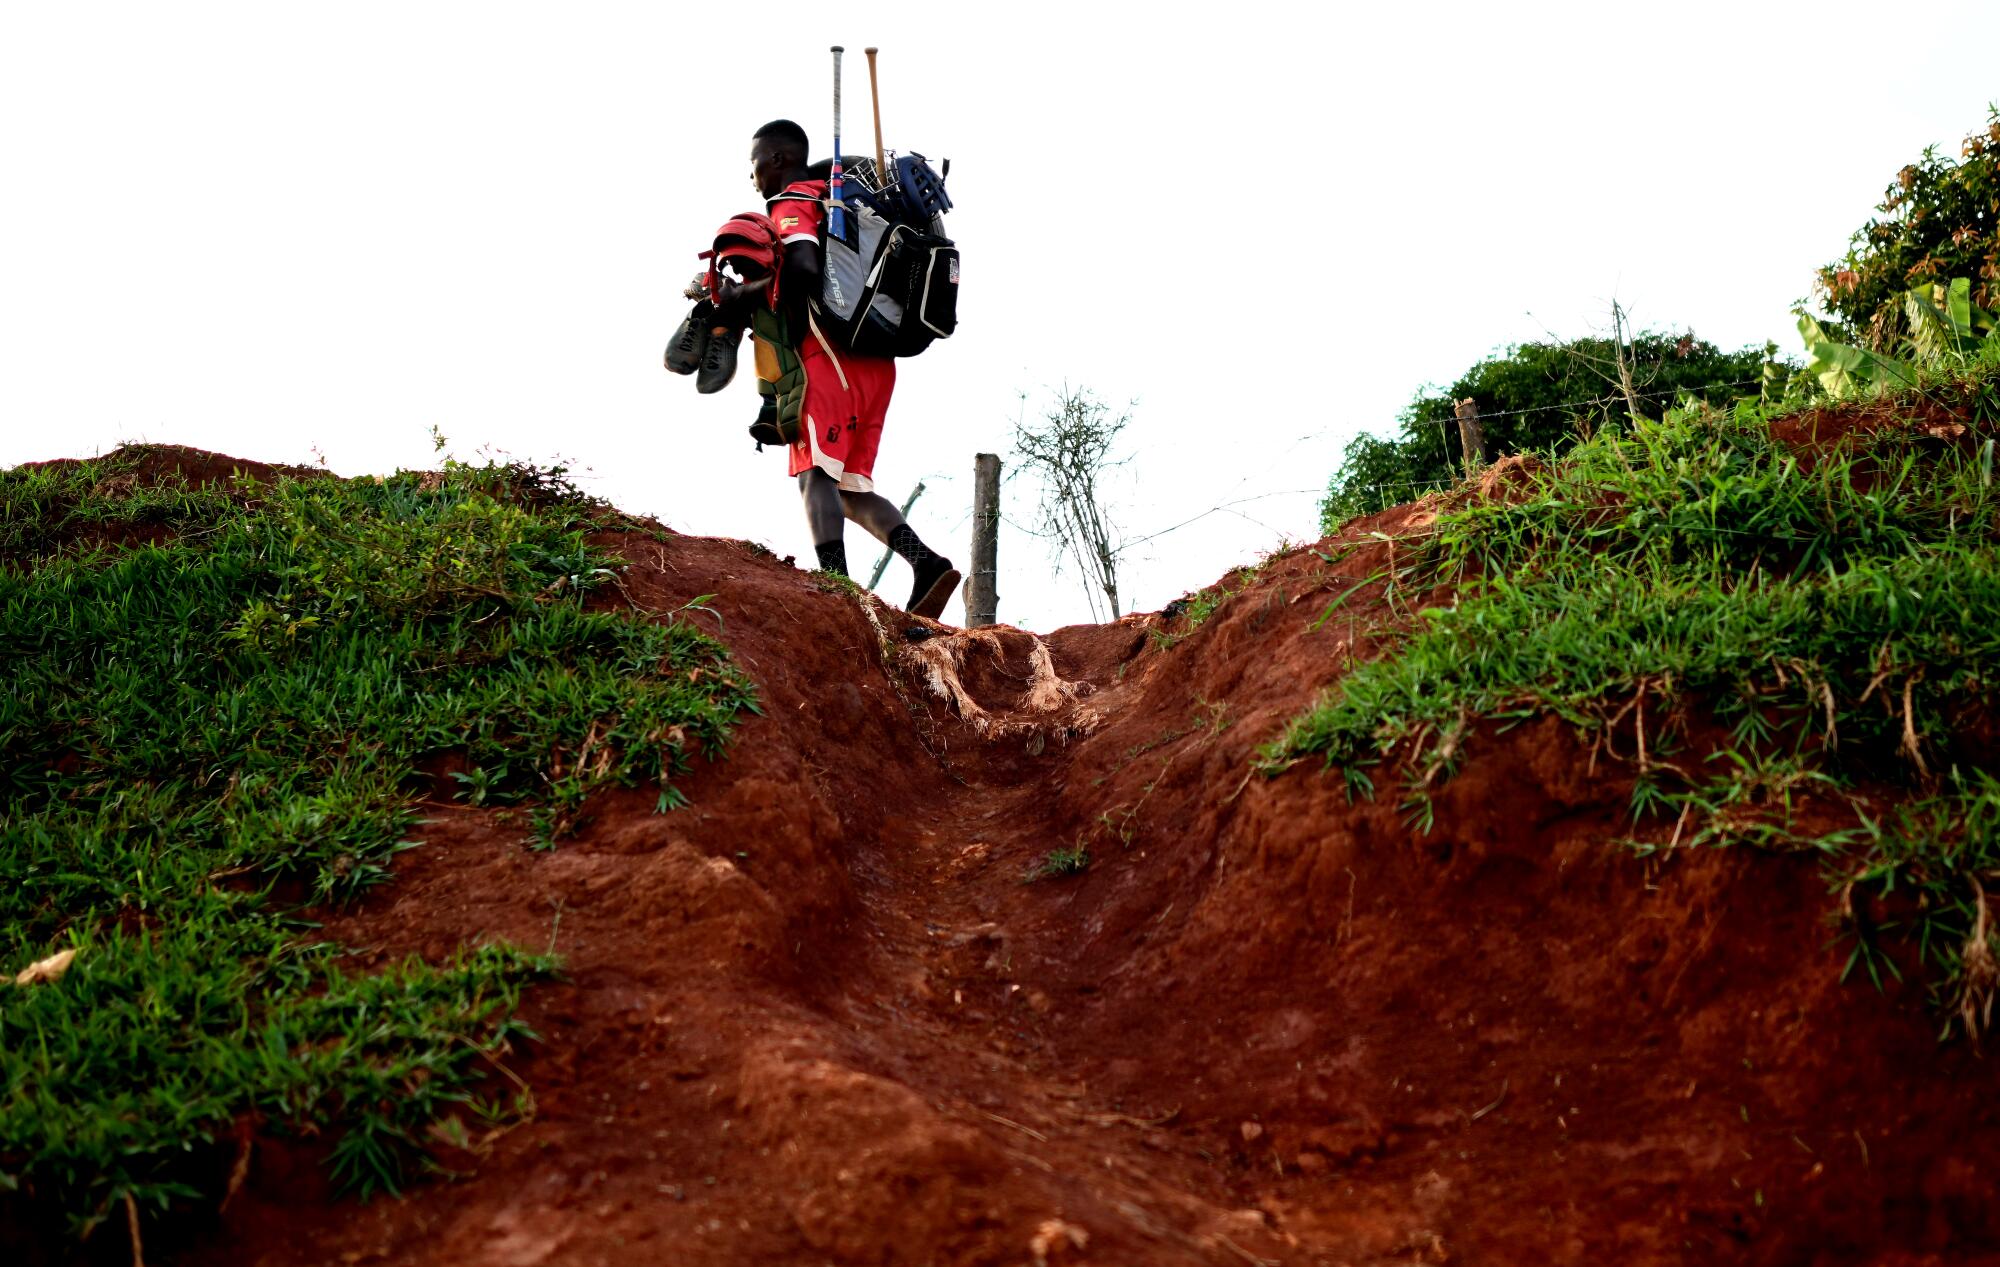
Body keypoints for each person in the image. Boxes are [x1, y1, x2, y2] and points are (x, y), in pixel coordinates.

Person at [706, 118, 960, 622]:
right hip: (878, 361)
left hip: (830, 355)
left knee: (812, 473)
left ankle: (836, 586)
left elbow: (802, 270)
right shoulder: (844, 192)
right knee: (849, 488)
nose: (752, 175)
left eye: (755, 163)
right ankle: (928, 566)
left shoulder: (794, 201)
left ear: (778, 159)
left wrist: (740, 296)